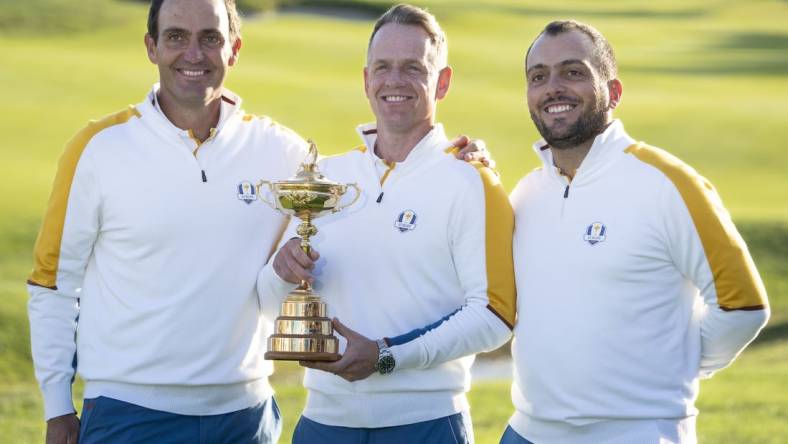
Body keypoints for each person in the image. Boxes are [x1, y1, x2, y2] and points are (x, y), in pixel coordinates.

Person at [26, 1, 488, 442]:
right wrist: (56, 405)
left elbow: (379, 174)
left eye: (210, 37)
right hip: (128, 412)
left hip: (246, 417)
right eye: (176, 37)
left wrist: (460, 162)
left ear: (234, 48)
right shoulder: (98, 148)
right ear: (151, 46)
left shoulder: (283, 152)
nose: (193, 54)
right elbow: (53, 283)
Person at [501, 20, 770, 444]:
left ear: (615, 92)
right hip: (527, 431)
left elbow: (744, 306)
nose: (553, 87)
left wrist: (673, 363)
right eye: (539, 77)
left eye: (573, 72)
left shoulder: (669, 183)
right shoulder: (526, 194)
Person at [259, 4, 516, 443]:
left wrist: (386, 356)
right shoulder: (324, 176)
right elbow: (268, 305)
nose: (394, 81)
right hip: (324, 423)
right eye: (383, 67)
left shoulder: (472, 180)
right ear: (365, 80)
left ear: (443, 81)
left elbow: (493, 317)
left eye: (413, 68)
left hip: (426, 424)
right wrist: (280, 273)